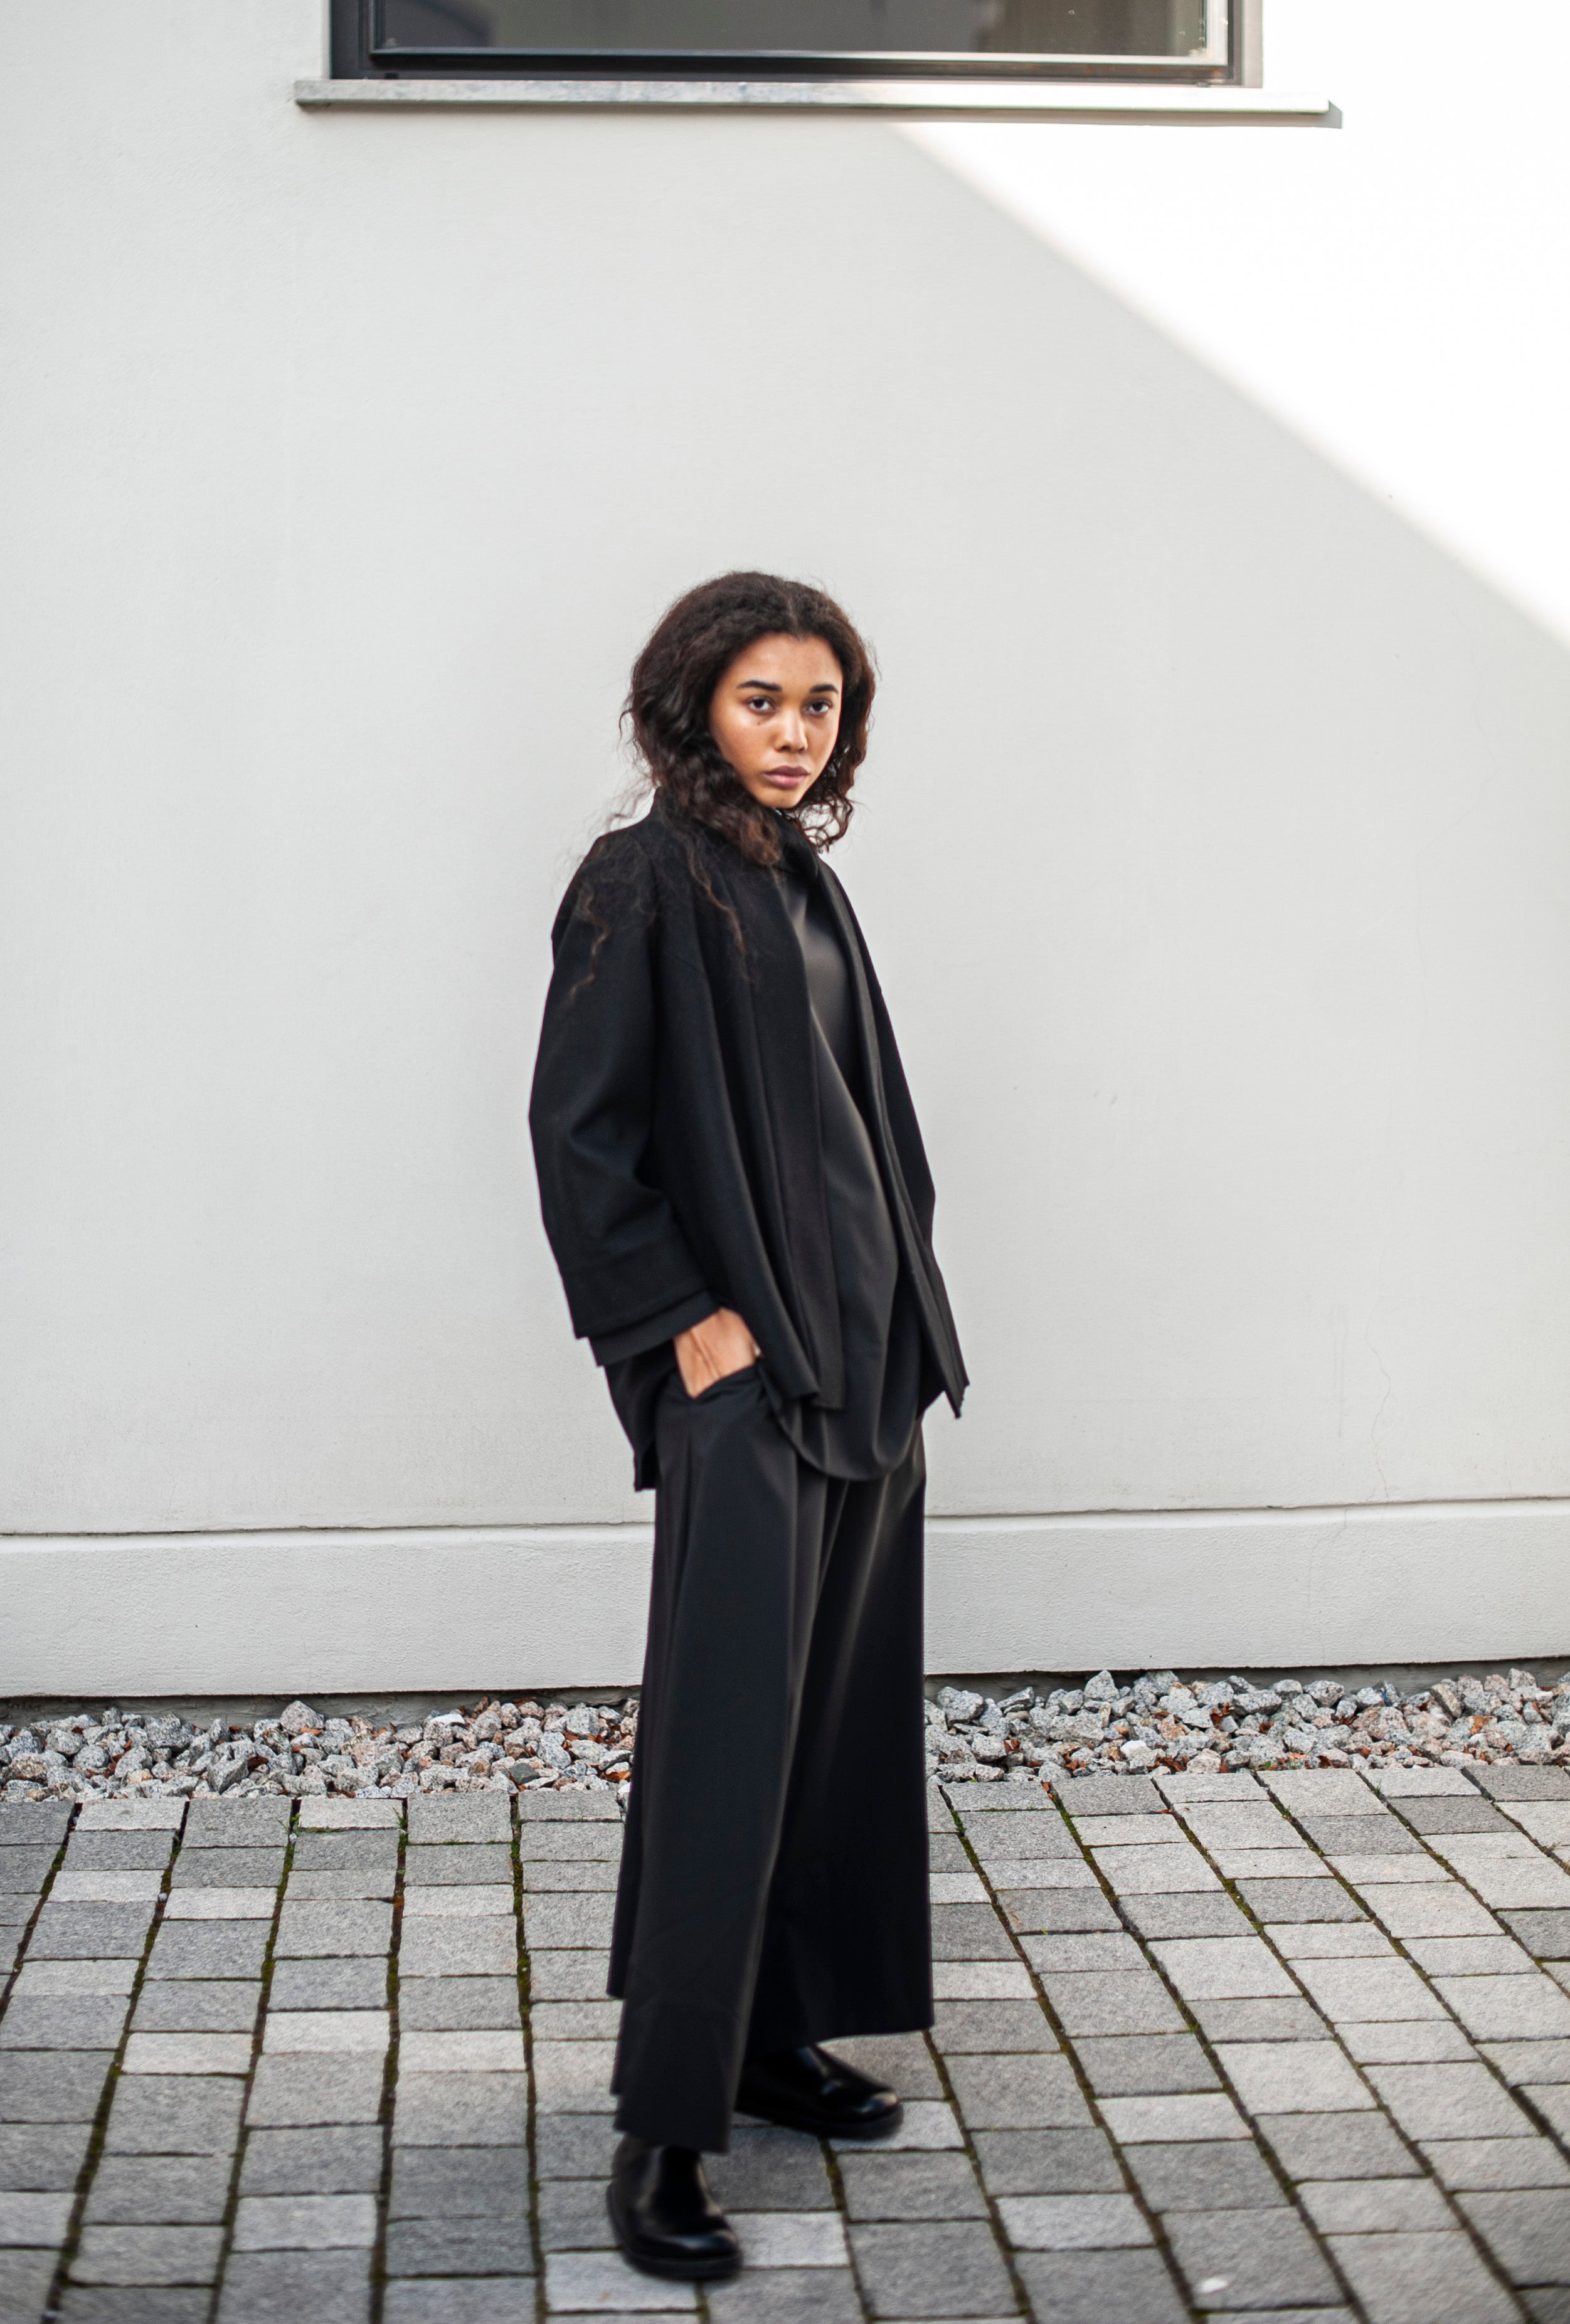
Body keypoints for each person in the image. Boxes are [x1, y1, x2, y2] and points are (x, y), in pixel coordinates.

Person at [529, 571, 967, 2282]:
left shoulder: (806, 885)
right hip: (749, 1396)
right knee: (724, 1752)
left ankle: (776, 2045)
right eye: (763, 702)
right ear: (690, 707)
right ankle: (662, 2138)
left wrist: (911, 1326)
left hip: (870, 1382)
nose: (796, 735)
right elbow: (582, 1136)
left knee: (833, 1744)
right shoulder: (642, 884)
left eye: (821, 706)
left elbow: (863, 1130)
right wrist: (678, 1328)